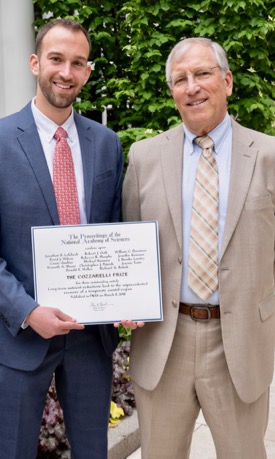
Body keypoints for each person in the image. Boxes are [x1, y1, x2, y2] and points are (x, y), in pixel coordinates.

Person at [122, 37, 275, 459]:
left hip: (240, 343)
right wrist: (125, 296)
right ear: (172, 91)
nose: (192, 87)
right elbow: (131, 243)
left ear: (226, 81)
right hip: (163, 342)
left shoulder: (268, 154)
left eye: (203, 74)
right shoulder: (144, 157)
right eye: (180, 79)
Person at [0, 18, 124, 459]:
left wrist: (128, 299)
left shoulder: (107, 144)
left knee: (93, 451)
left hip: (91, 339)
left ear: (87, 71)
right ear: (36, 63)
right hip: (20, 337)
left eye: (77, 62)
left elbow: (114, 231)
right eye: (56, 59)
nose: (66, 72)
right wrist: (28, 311)